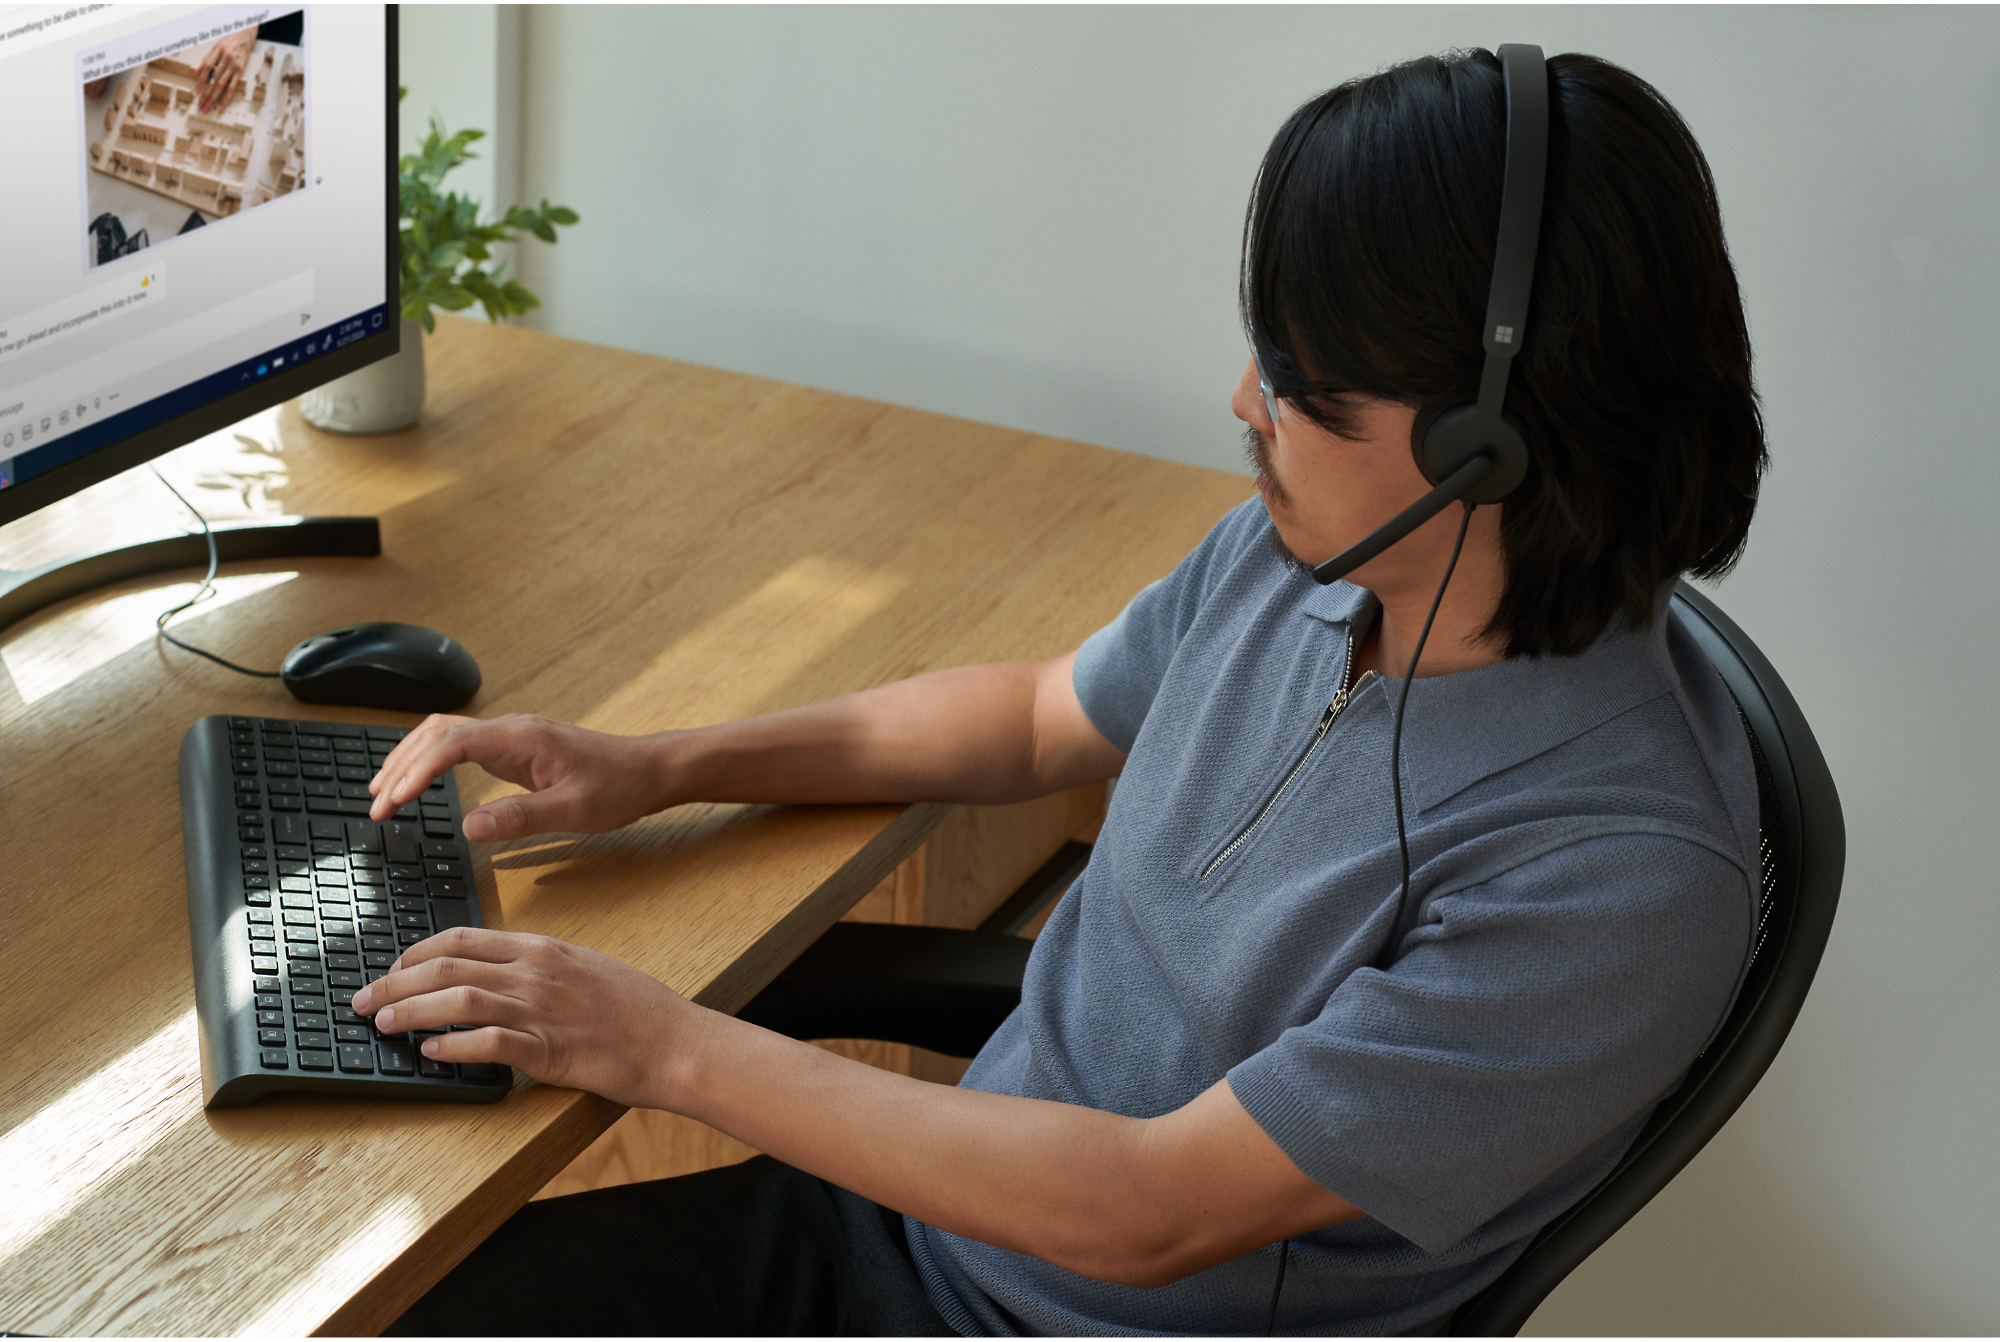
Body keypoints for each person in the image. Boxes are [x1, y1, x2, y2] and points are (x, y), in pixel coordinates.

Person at [367, 47, 1767, 1337]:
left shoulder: (1620, 879)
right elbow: (1038, 715)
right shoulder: (1313, 562)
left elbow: (1152, 1207)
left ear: (1488, 453)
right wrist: (659, 764)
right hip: (929, 1209)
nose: (1242, 401)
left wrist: (660, 1044)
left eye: (1300, 386)